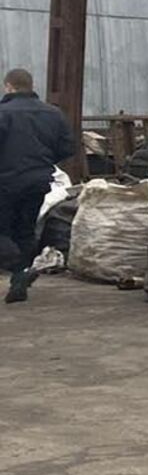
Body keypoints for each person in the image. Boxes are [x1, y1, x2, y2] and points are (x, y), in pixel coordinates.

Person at [0, 68, 75, 303]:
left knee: (3, 231)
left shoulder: (3, 113)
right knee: (24, 230)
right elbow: (67, 148)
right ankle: (19, 283)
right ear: (31, 86)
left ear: (9, 87)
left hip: (5, 181)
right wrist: (41, 162)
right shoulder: (53, 114)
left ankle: (16, 268)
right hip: (38, 181)